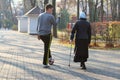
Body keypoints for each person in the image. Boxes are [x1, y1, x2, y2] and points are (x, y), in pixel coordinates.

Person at [37, 4, 59, 68]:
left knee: (47, 46)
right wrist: (58, 18)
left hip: (41, 35)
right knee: (46, 48)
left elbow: (37, 25)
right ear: (48, 9)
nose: (52, 11)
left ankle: (50, 59)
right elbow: (55, 24)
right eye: (52, 10)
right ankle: (45, 63)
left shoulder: (40, 15)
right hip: (47, 35)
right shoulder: (50, 16)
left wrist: (38, 34)